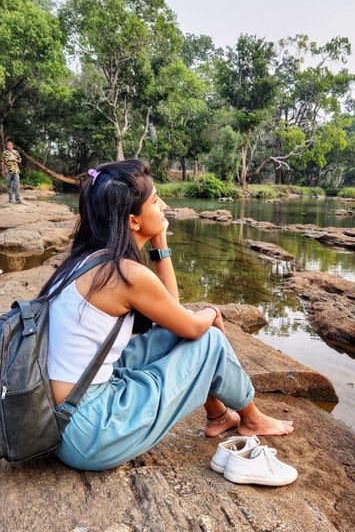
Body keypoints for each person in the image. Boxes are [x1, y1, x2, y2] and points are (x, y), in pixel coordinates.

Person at [40, 159, 293, 471]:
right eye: (156, 200)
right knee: (210, 339)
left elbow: (171, 317)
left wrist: (159, 241)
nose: (164, 206)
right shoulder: (124, 273)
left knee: (175, 333)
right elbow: (191, 327)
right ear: (133, 221)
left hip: (56, 420)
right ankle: (251, 419)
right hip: (89, 432)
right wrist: (212, 310)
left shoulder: (87, 260)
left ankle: (218, 414)